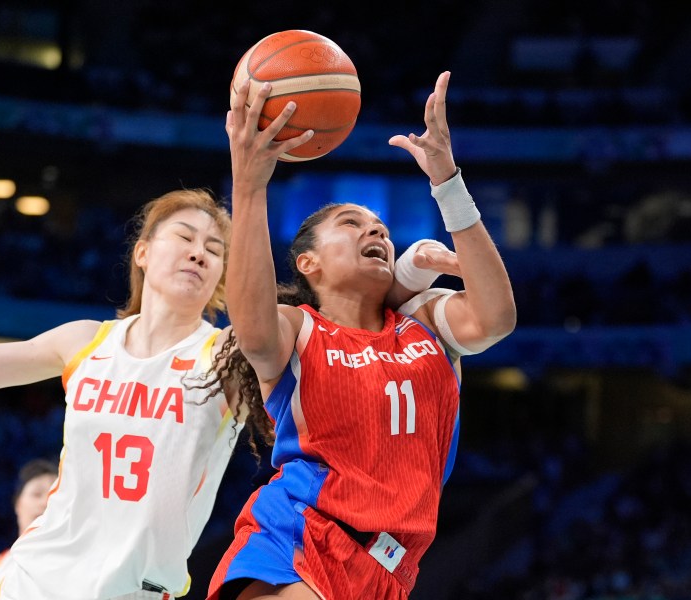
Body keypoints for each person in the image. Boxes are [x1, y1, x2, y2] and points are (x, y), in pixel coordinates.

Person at [0, 179, 456, 600]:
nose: (201, 251)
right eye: (185, 236)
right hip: (36, 580)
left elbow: (337, 315)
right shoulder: (82, 341)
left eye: (215, 248)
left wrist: (395, 271)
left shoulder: (231, 353)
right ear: (143, 252)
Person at [207, 71, 516, 600]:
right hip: (303, 533)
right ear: (309, 262)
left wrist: (447, 182)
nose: (376, 231)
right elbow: (253, 329)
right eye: (351, 224)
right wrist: (250, 185)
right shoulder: (299, 328)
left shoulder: (423, 322)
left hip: (393, 563)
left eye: (382, 229)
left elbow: (497, 320)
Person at [0, 458, 59, 599]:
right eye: (37, 494)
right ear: (18, 503)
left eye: (53, 497)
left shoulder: (72, 562)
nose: (46, 503)